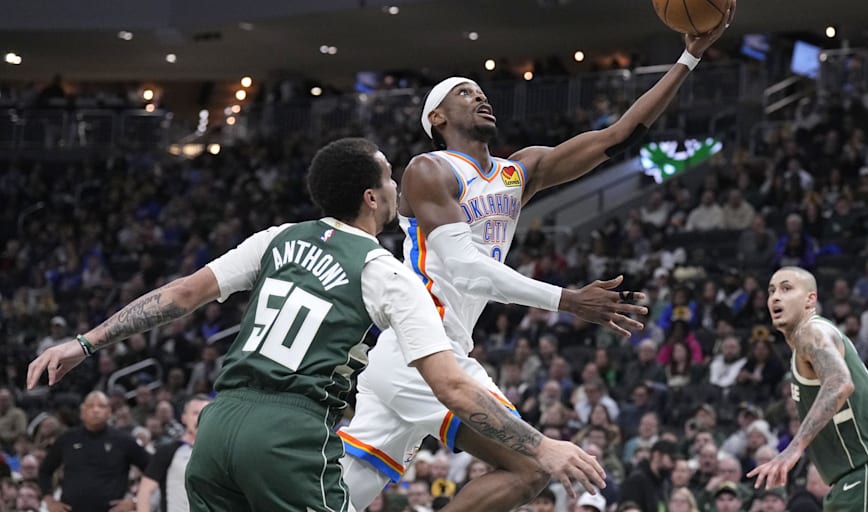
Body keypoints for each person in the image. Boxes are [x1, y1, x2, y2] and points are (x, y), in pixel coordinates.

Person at [28, 138, 604, 512]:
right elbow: (451, 386)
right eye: (390, 179)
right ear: (372, 197)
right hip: (288, 436)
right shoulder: (385, 270)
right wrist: (542, 445)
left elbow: (180, 296)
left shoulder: (277, 237)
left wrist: (86, 342)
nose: (399, 188)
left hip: (218, 426)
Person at [339, 5, 736, 512]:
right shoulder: (428, 169)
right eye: (464, 93)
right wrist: (568, 300)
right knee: (532, 465)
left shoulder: (517, 172)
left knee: (341, 493)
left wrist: (689, 58)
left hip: (430, 350)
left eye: (481, 92)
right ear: (437, 118)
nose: (480, 96)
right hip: (420, 350)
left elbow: (619, 136)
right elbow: (465, 268)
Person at [747, 266, 868, 511]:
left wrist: (793, 448)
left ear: (810, 299)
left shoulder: (811, 331)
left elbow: (840, 383)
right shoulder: (807, 343)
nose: (775, 297)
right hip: (860, 480)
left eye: (786, 289)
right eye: (771, 291)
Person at [38, 391, 149, 512]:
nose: (96, 410)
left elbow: (153, 469)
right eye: (91, 406)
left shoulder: (124, 440)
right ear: (82, 412)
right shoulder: (67, 439)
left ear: (109, 412)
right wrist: (49, 501)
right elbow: (44, 471)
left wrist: (135, 501)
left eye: (101, 406)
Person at [135, 395, 212, 512]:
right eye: (196, 413)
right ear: (184, 417)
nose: (201, 418)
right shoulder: (168, 450)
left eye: (206, 413)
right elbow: (145, 491)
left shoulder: (221, 452)